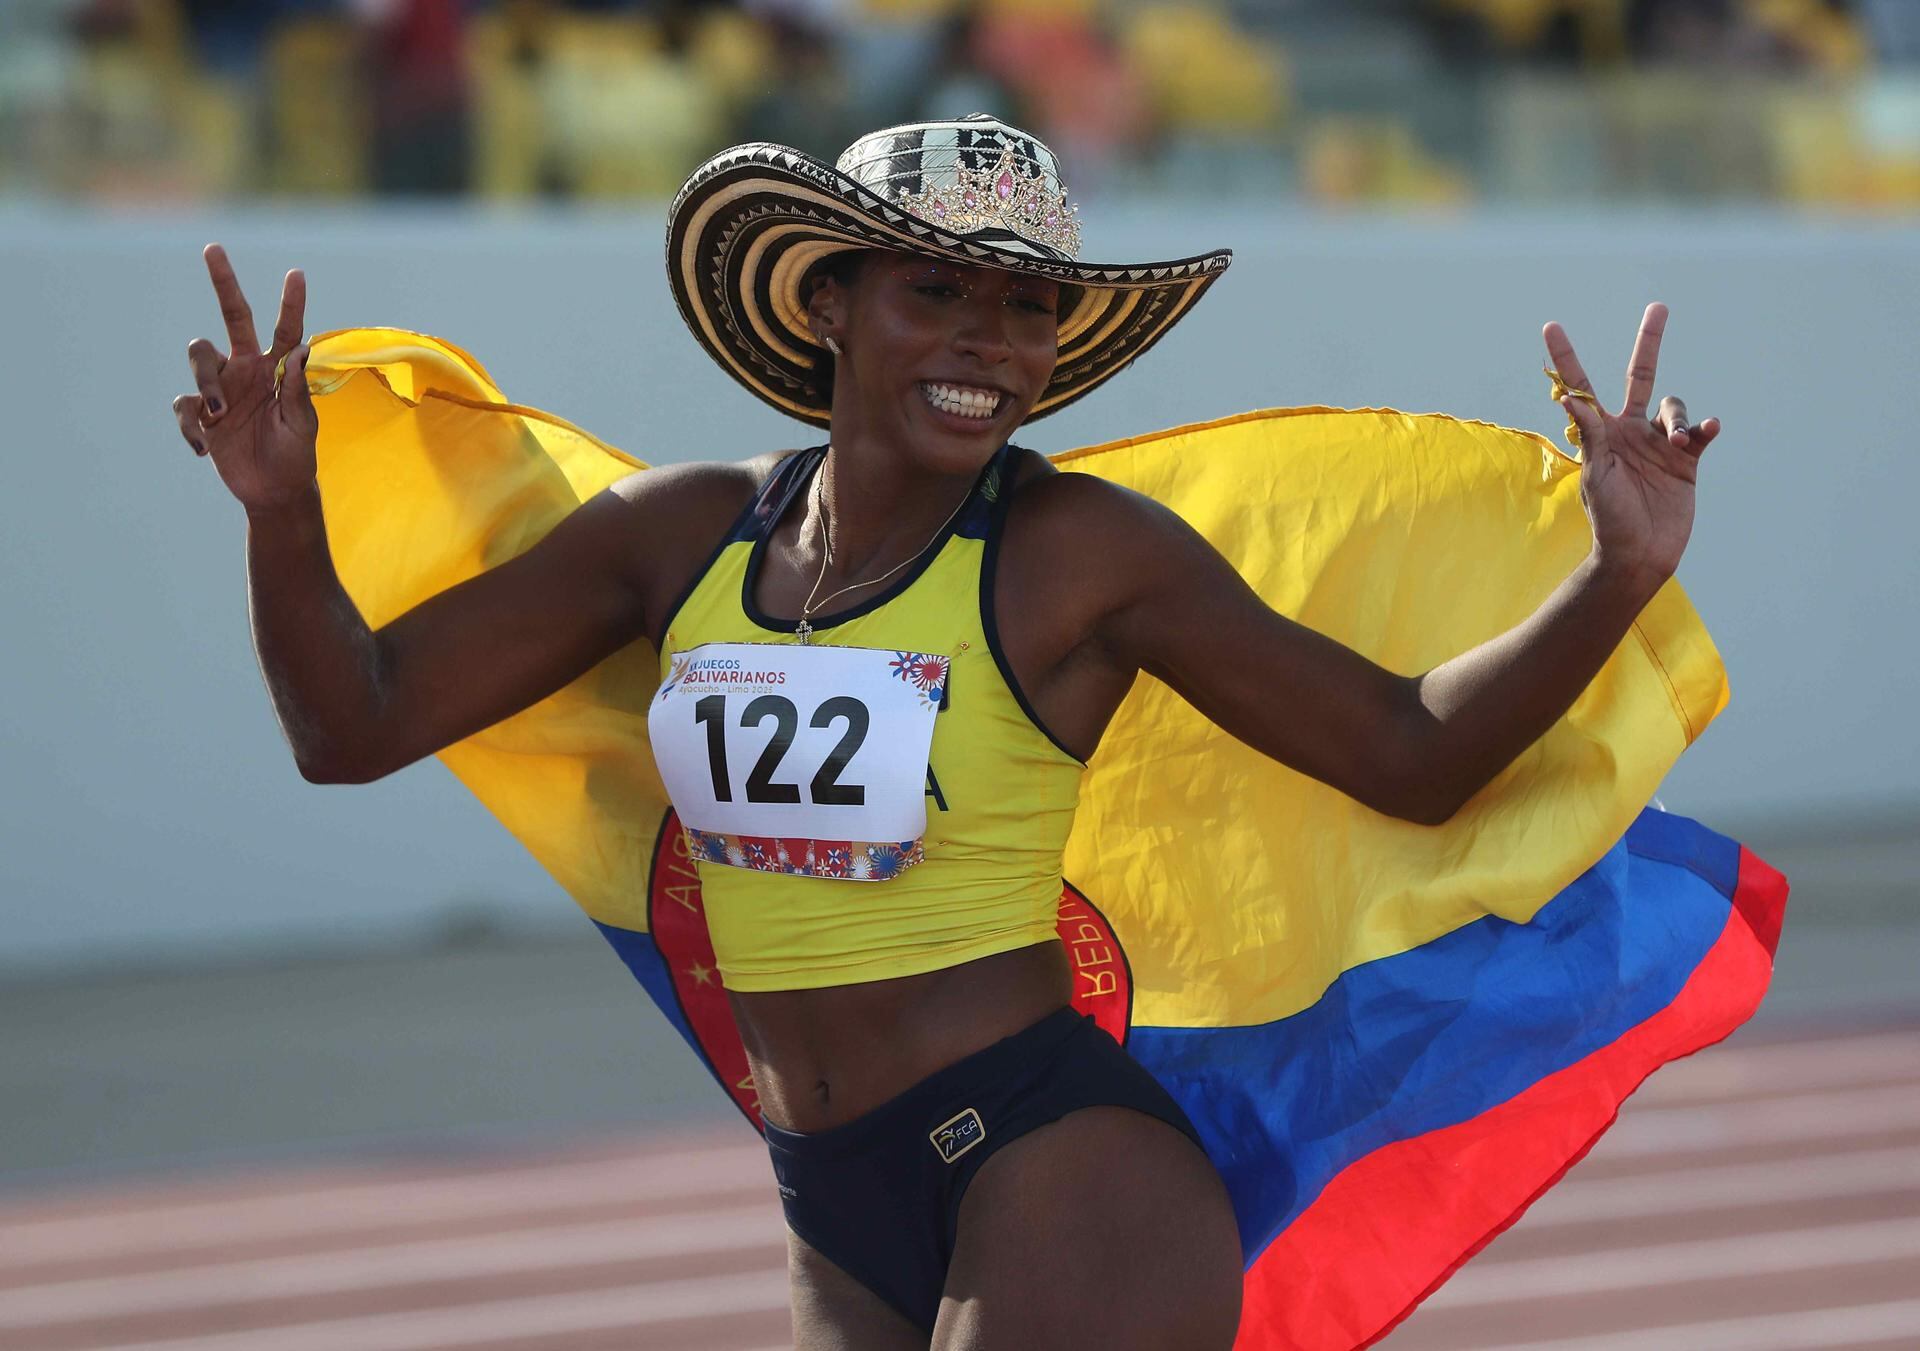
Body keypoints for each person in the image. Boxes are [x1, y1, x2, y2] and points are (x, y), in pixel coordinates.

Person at [172, 115, 1722, 1349]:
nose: (989, 342)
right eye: (938, 290)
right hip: (831, 1201)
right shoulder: (681, 538)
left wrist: (1616, 573)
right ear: (829, 301)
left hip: (1061, 1174)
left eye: (1026, 305)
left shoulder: (1075, 555)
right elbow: (353, 726)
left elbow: (1410, 753)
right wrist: (279, 506)